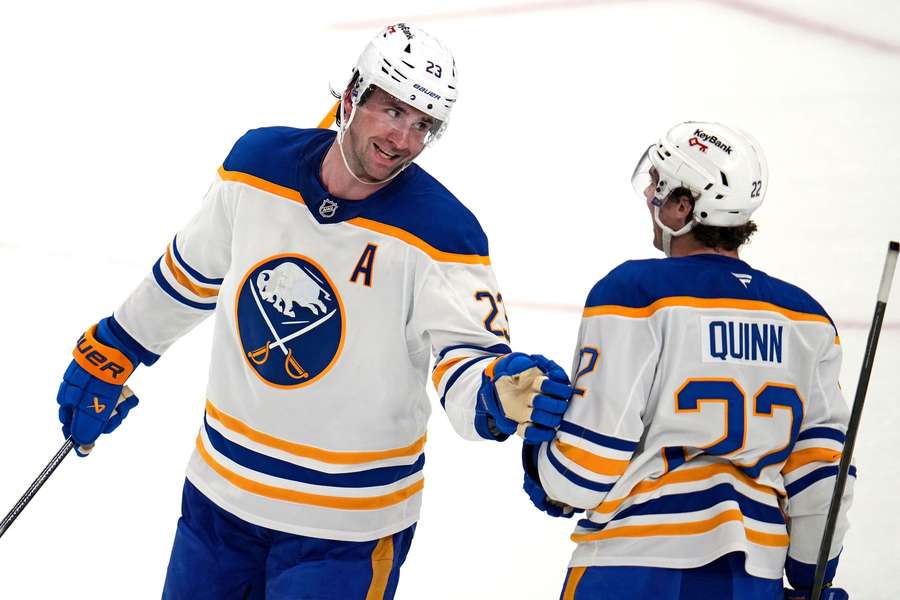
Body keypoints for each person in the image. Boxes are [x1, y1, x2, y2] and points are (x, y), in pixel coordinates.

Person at [56, 23, 571, 599]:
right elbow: (187, 275)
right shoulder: (256, 167)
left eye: (422, 124)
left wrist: (497, 389)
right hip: (219, 499)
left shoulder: (443, 233)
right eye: (394, 110)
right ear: (353, 94)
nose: (402, 138)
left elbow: (466, 363)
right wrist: (113, 349)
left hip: (345, 530)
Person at [521, 122, 853, 599]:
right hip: (752, 578)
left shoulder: (635, 294)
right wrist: (809, 577)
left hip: (632, 568)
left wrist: (539, 463)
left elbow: (583, 470)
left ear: (682, 207)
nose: (649, 196)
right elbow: (823, 472)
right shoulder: (806, 318)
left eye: (658, 184)